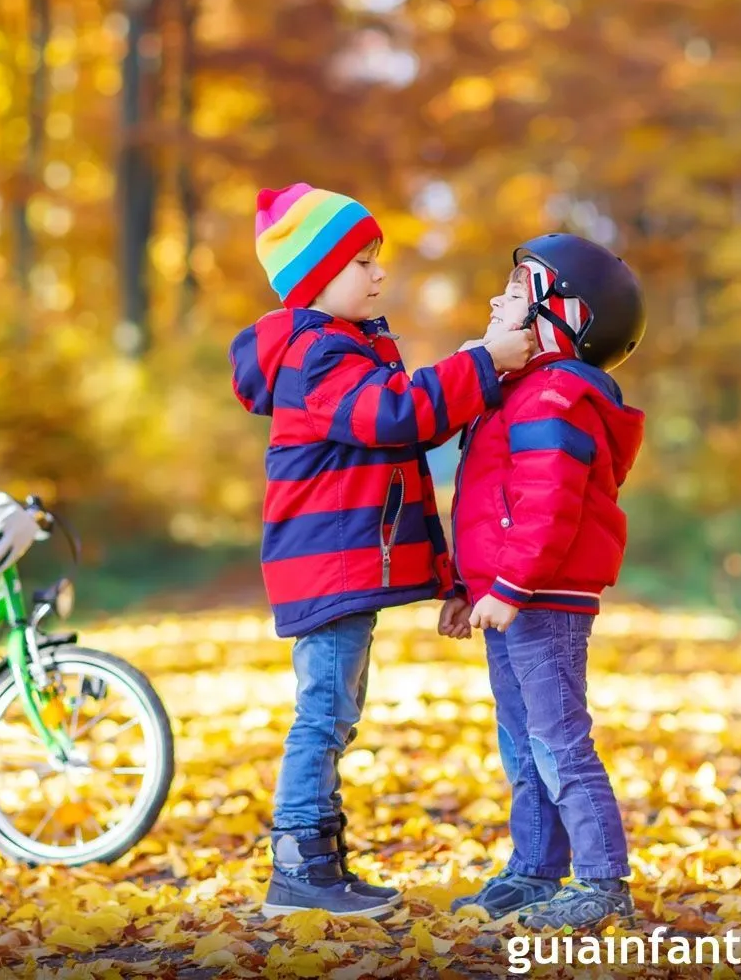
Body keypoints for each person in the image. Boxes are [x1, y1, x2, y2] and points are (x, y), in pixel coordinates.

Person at [229, 182, 535, 918]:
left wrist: (474, 366)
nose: (379, 274)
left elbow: (407, 425)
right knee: (324, 710)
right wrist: (483, 363)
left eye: (377, 260)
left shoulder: (344, 349)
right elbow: (395, 415)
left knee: (337, 707)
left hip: (334, 567)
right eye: (361, 261)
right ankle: (300, 863)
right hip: (324, 568)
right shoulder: (317, 355)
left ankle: (320, 859)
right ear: (314, 278)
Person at [438, 233, 647, 929]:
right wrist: (470, 586)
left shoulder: (557, 397)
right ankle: (534, 869)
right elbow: (490, 503)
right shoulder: (516, 393)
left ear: (569, 316)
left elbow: (548, 507)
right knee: (521, 741)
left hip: (543, 598)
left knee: (558, 739)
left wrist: (511, 586)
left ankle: (601, 880)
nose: (498, 297)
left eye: (518, 286)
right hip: (510, 596)